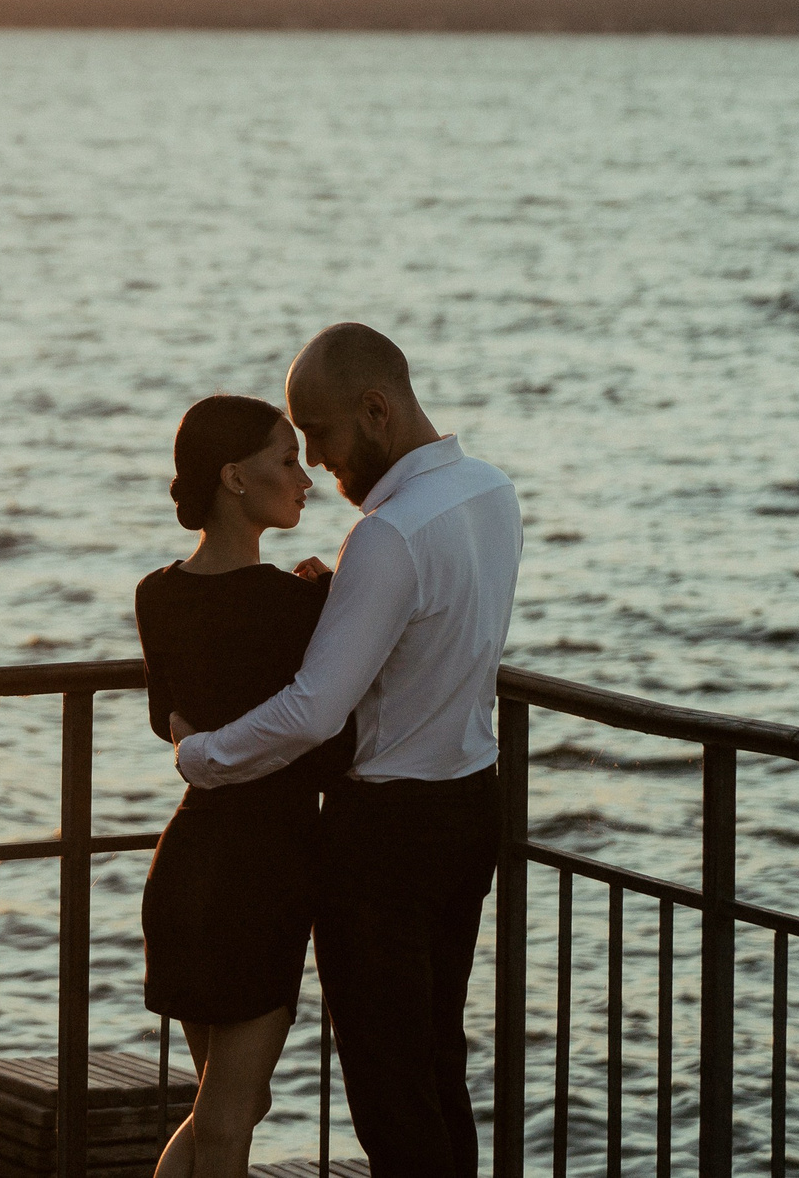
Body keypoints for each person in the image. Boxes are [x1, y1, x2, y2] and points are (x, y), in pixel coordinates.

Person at [171, 325, 522, 1178]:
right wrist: (336, 593)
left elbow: (311, 711)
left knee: (390, 1094)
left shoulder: (388, 535)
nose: (319, 464)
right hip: (474, 804)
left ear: (376, 409)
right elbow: (429, 632)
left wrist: (204, 756)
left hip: (386, 840)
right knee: (441, 1067)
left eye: (321, 435)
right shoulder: (491, 492)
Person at [137, 394, 357, 1178]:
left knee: (222, 1106)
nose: (305, 478)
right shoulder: (300, 605)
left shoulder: (155, 593)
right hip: (261, 875)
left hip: (187, 865)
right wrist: (329, 594)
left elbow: (172, 718)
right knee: (229, 1119)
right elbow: (335, 746)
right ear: (234, 477)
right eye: (287, 459)